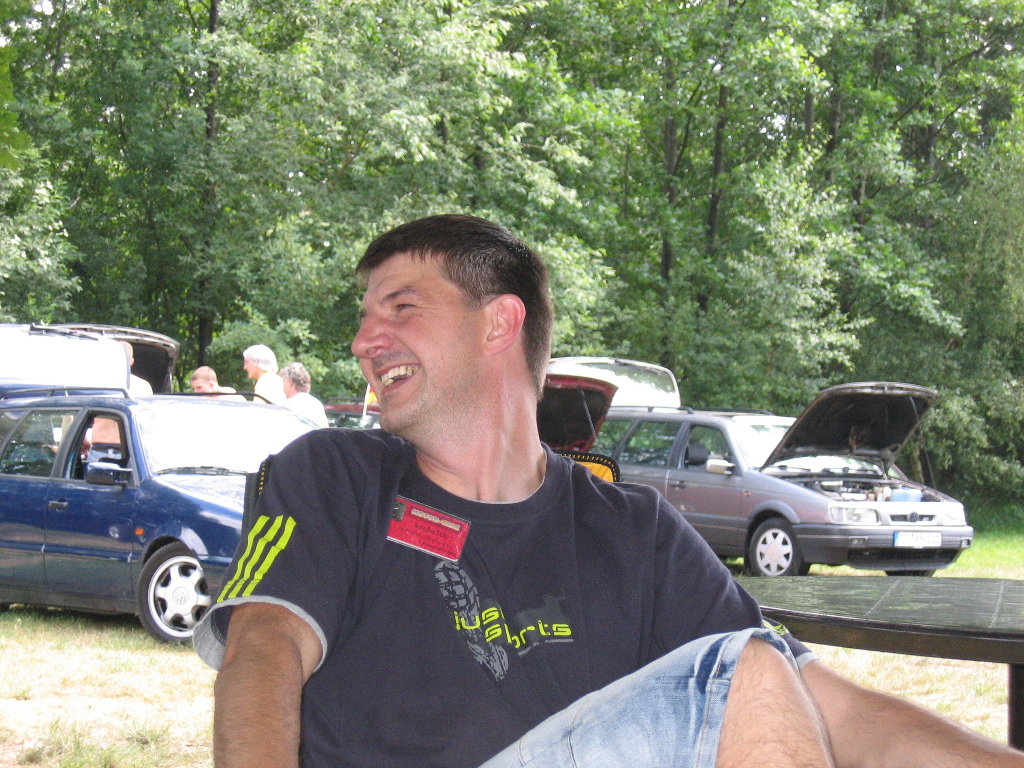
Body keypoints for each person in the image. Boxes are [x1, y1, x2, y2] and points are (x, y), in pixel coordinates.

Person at [195, 214, 1024, 768]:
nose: (363, 340)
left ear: (499, 323)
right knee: (745, 669)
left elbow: (828, 709)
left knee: (765, 674)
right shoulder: (335, 475)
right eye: (365, 315)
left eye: (401, 307)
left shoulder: (633, 531)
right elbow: (264, 649)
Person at [279, 362, 330, 428]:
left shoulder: (289, 405)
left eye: (283, 382)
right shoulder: (317, 404)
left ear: (290, 382)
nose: (282, 387)